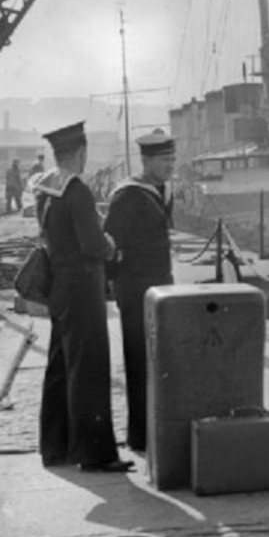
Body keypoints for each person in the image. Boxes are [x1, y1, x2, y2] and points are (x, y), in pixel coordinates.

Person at [30, 121, 132, 474]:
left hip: (59, 287)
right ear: (82, 153)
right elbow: (92, 245)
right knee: (89, 368)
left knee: (60, 367)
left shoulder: (44, 189)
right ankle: (95, 454)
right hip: (84, 289)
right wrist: (111, 245)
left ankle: (55, 448)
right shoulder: (78, 191)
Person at [103, 130, 176, 455]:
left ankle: (158, 428)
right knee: (137, 362)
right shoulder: (128, 195)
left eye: (172, 160)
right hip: (134, 290)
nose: (170, 166)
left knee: (161, 361)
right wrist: (113, 283)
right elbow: (109, 243)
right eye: (164, 160)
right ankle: (139, 435)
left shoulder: (162, 190)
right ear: (146, 160)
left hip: (161, 288)